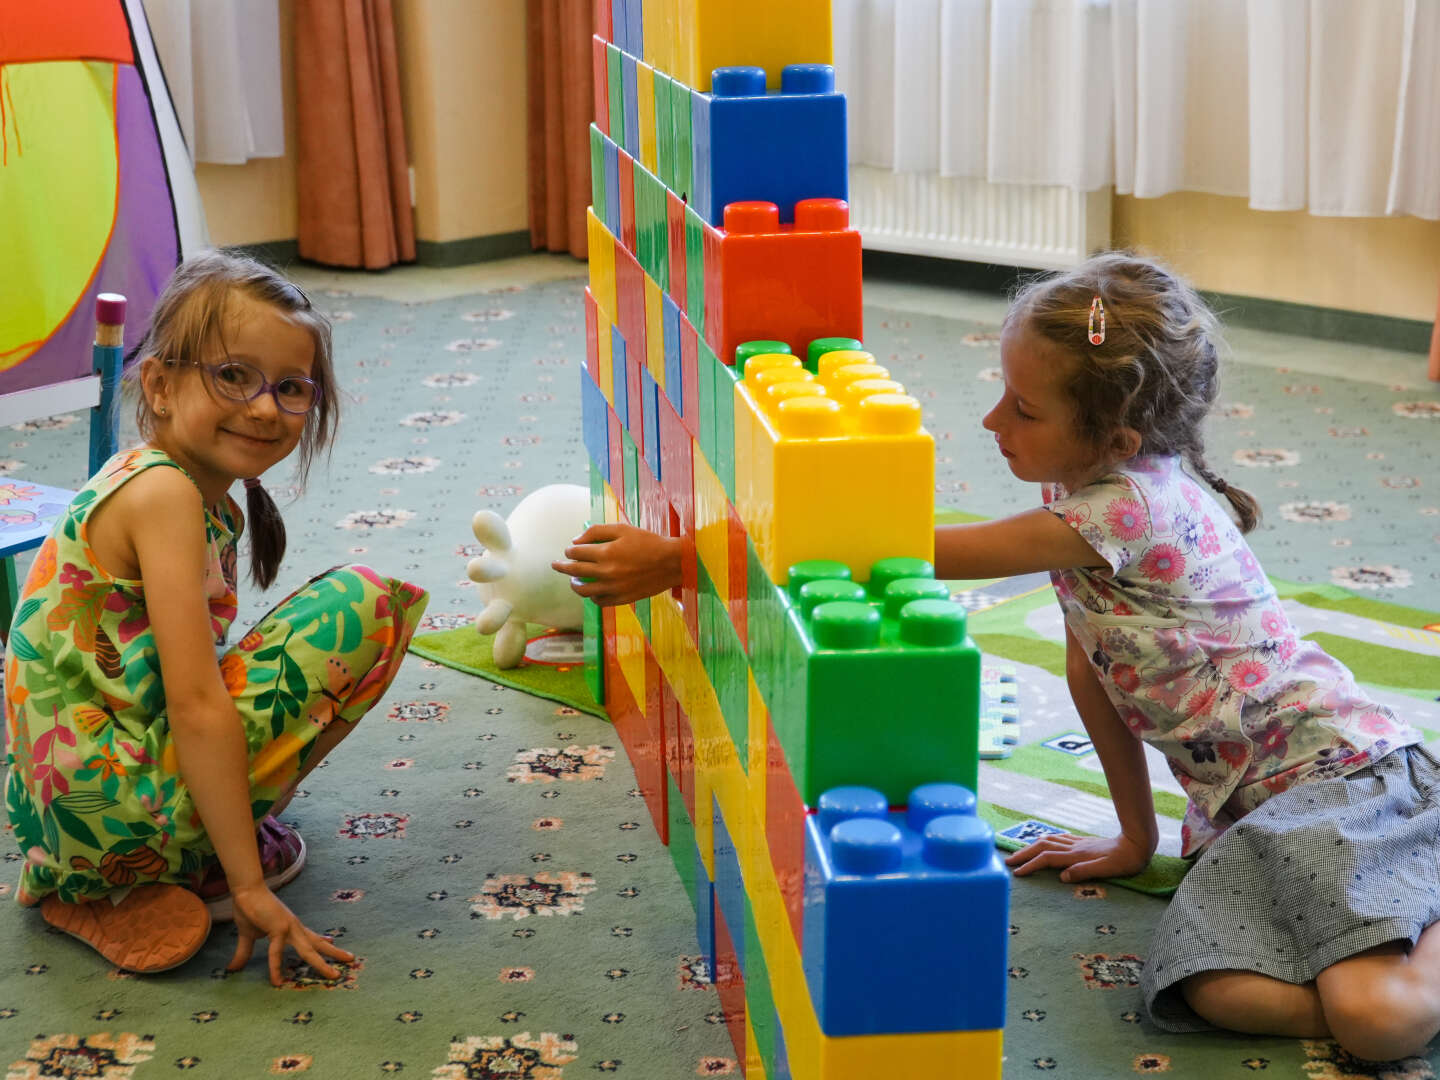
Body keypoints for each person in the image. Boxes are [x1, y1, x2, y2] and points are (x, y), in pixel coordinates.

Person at [552, 252, 1439, 1061]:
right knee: (1205, 989)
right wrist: (1134, 836)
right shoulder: (1081, 491)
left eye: (1023, 407)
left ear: (1119, 441)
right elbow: (1094, 676)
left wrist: (681, 562)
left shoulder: (1121, 512)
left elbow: (904, 549)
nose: (990, 420)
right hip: (1251, 818)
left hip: (1338, 786)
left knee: (1373, 1023)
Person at [4, 252, 429, 984]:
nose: (265, 407)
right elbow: (197, 705)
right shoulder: (165, 496)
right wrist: (247, 886)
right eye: (234, 375)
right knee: (366, 608)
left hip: (65, 813)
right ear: (161, 386)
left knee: (341, 619)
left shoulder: (175, 483)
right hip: (112, 807)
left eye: (290, 388)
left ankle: (127, 862)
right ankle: (156, 868)